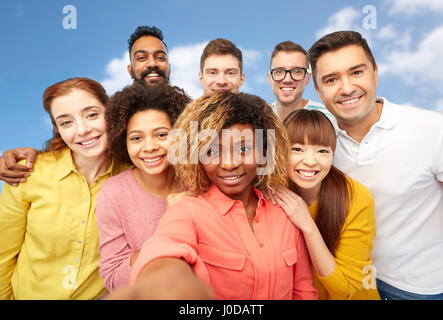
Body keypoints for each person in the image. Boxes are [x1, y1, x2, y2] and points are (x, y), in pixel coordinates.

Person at [107, 92, 318, 300]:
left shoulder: (284, 210)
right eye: (213, 152)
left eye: (243, 148)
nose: (229, 163)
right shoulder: (188, 210)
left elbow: (303, 291)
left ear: (264, 152)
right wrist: (163, 281)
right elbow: (166, 248)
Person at [308, 30, 443, 299]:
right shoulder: (317, 141)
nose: (346, 88)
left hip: (419, 290)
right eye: (331, 79)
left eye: (356, 72)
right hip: (350, 285)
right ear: (318, 91)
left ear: (375, 72)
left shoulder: (431, 128)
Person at [0, 78, 127, 299]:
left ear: (110, 113)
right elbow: (2, 255)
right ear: (58, 129)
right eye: (66, 122)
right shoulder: (29, 173)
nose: (83, 130)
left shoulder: (133, 177)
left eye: (92, 115)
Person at [0, 25, 170, 185]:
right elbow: (79, 142)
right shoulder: (121, 112)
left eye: (160, 57)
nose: (152, 63)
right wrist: (33, 157)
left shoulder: (188, 112)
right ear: (130, 69)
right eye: (141, 58)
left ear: (168, 65)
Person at [264, 109, 379, 300]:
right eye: (297, 149)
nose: (310, 161)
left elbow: (346, 291)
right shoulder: (272, 190)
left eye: (322, 151)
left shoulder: (356, 198)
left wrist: (307, 223)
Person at [96, 82, 190, 291]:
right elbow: (114, 278)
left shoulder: (197, 182)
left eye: (162, 135)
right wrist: (167, 231)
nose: (149, 147)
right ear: (123, 142)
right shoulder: (112, 194)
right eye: (136, 138)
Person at [268, 41, 332, 121]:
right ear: (270, 78)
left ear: (308, 78)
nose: (287, 79)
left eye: (297, 71)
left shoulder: (329, 119)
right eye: (279, 72)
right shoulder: (258, 118)